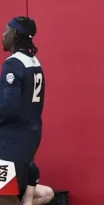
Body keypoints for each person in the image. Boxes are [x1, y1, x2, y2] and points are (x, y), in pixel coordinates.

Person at [0, 17, 44, 205]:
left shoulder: (13, 64)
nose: (3, 35)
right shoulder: (34, 62)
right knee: (6, 195)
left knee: (4, 195)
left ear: (15, 34)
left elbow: (9, 105)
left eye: (6, 30)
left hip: (11, 140)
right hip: (29, 136)